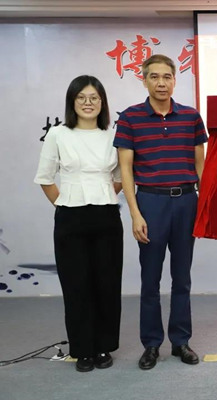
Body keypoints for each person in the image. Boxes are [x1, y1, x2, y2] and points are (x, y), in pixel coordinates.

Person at [114, 54, 208, 370]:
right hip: (150, 203)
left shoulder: (191, 117)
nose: (161, 83)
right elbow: (126, 170)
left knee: (182, 278)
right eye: (154, 76)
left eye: (167, 76)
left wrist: (205, 206)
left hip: (186, 202)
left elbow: (201, 165)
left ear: (174, 80)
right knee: (150, 279)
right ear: (144, 80)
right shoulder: (130, 118)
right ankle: (151, 344)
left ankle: (180, 341)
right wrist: (135, 214)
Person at [34, 75, 123, 373]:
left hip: (106, 216)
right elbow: (45, 178)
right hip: (70, 217)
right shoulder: (58, 134)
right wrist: (65, 205)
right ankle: (83, 349)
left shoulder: (112, 135)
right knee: (76, 285)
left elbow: (120, 177)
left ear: (102, 103)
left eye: (94, 98)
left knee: (107, 283)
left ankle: (103, 346)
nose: (88, 103)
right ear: (72, 102)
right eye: (81, 97)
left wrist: (103, 194)